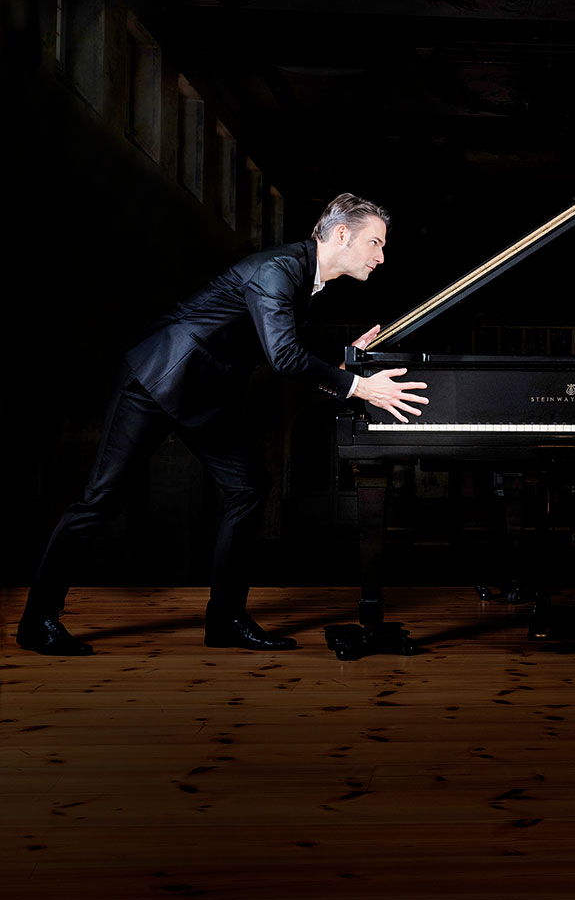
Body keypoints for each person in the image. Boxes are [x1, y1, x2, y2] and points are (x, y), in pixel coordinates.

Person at [18, 193, 429, 656]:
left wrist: (339, 362)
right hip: (156, 379)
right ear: (340, 235)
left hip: (202, 393)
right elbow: (284, 356)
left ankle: (226, 621)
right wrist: (358, 386)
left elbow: (285, 348)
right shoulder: (278, 270)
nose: (381, 256)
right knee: (100, 499)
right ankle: (38, 622)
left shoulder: (303, 281)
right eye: (375, 243)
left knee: (248, 485)